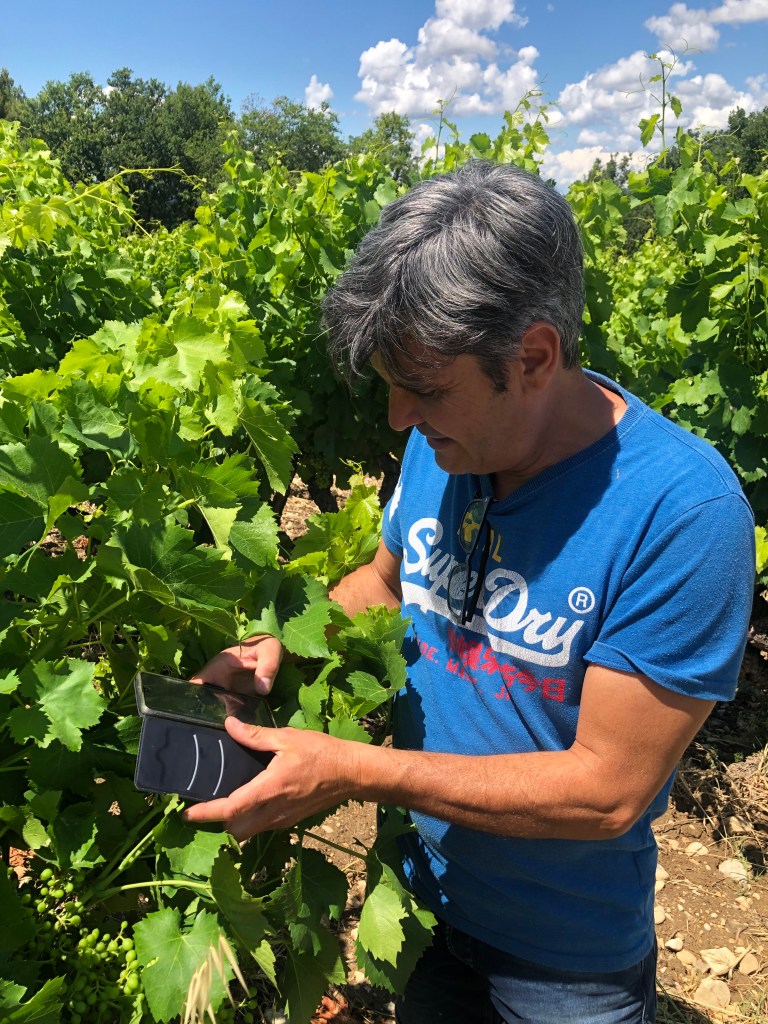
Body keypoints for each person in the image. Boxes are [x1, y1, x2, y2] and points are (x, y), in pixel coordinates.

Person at [184, 161, 755, 1023]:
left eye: (423, 388)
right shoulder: (447, 443)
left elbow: (608, 790)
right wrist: (281, 648)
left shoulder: (683, 514)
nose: (398, 419)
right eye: (392, 385)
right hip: (420, 899)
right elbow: (384, 583)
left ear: (533, 357)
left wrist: (356, 770)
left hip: (564, 958)